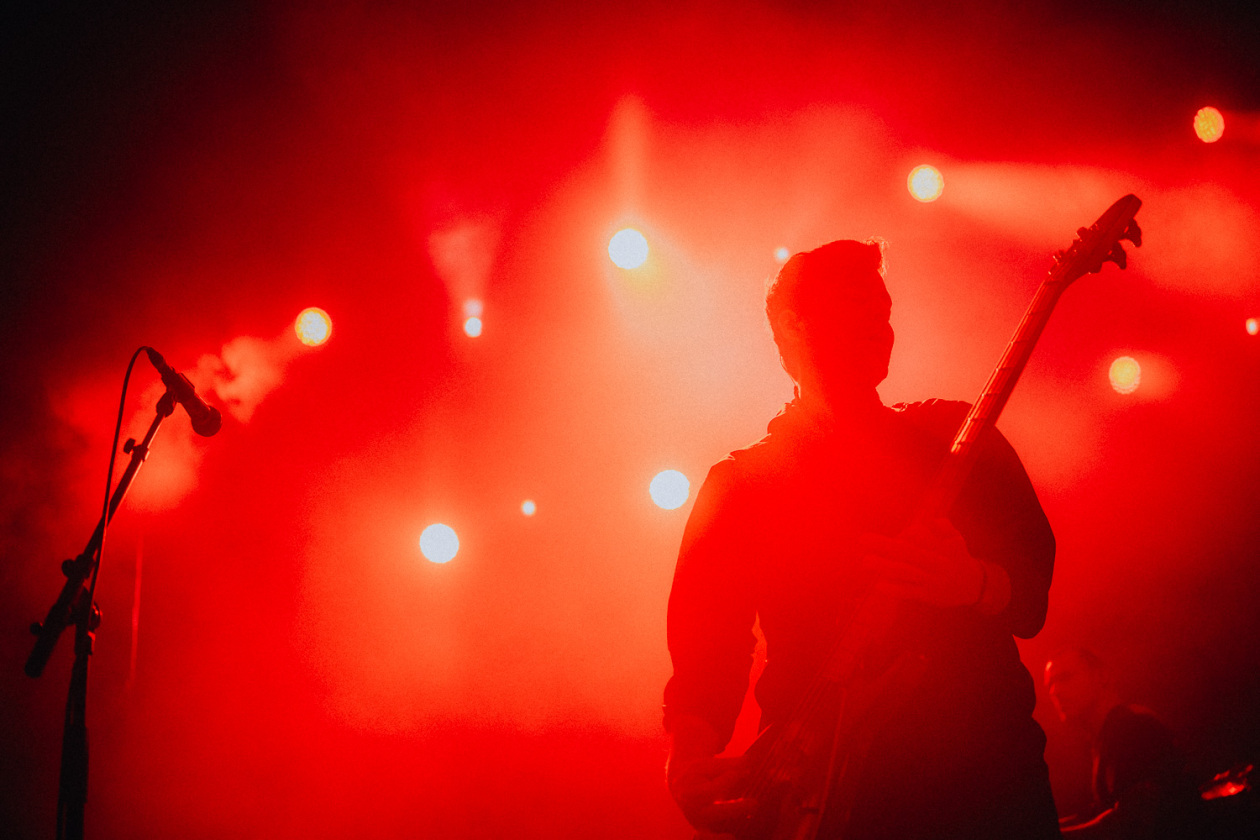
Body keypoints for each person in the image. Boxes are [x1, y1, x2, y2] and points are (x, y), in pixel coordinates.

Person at [664, 239, 1061, 839]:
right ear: (792, 331)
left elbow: (1032, 588)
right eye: (856, 306)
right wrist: (686, 765)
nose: (879, 323)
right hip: (828, 794)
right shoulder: (742, 485)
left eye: (884, 309)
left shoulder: (956, 436)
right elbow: (705, 654)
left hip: (986, 779)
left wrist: (974, 582)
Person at [1043, 648, 1200, 839]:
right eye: (1050, 684)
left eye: (1065, 677)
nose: (1055, 691)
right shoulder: (1111, 734)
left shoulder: (1133, 728)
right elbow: (1102, 810)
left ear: (1102, 676)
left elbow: (1131, 823)